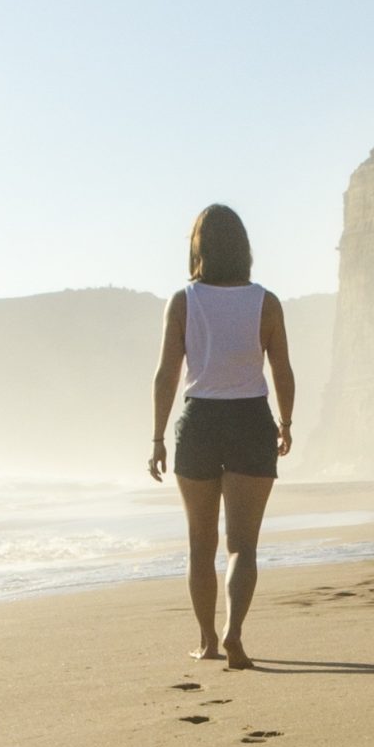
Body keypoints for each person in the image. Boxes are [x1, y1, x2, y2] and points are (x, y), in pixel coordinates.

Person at [149, 204, 294, 669]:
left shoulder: (184, 301)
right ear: (244, 248)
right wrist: (286, 423)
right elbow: (283, 371)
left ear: (199, 248)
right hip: (251, 419)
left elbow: (166, 375)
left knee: (200, 543)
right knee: (242, 546)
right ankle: (235, 633)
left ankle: (208, 640)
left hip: (200, 423)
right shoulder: (265, 302)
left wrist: (156, 438)